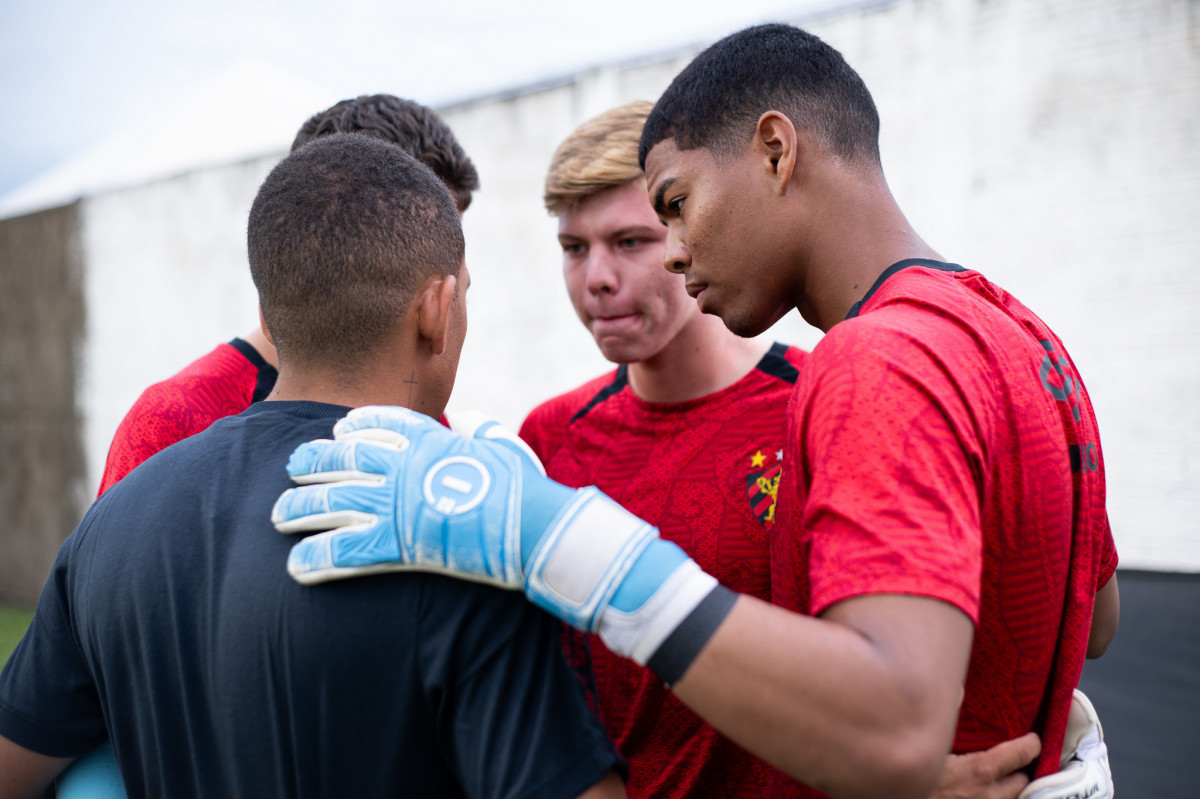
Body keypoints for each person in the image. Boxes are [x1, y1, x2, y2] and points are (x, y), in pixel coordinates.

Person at [270, 23, 1118, 799]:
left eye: (671, 207)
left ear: (777, 151)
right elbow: (1095, 613)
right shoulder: (1010, 325)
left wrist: (569, 545)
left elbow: (892, 728)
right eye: (574, 247)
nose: (672, 251)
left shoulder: (870, 360)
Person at [0, 133, 625, 799]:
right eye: (463, 292)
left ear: (270, 308)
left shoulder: (109, 528)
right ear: (437, 310)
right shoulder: (453, 534)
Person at [525, 101, 1052, 799]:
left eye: (630, 241)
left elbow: (940, 647)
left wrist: (913, 770)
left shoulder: (830, 397)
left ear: (686, 228)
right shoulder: (549, 438)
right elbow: (547, 710)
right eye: (573, 248)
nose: (596, 277)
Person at [96, 93, 480, 496]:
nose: (441, 257)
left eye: (450, 234)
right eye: (409, 230)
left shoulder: (426, 422)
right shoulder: (172, 422)